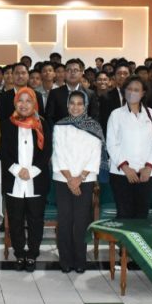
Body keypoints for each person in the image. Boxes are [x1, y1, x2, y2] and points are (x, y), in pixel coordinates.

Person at [0, 87, 52, 272]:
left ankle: (33, 254)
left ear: (34, 103)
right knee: (15, 220)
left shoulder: (42, 124)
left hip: (36, 180)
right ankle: (19, 253)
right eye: (20, 100)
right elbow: (2, 151)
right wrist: (17, 170)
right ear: (15, 103)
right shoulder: (6, 124)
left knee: (36, 220)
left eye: (28, 101)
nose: (24, 104)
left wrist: (32, 171)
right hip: (14, 180)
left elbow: (47, 151)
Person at [52, 90, 103, 273]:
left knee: (81, 221)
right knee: (65, 220)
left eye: (79, 103)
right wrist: (70, 179)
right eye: (72, 103)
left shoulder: (94, 127)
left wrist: (79, 178)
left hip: (85, 180)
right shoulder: (60, 126)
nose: (75, 107)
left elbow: (95, 155)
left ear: (85, 106)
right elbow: (58, 153)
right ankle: (65, 260)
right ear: (67, 105)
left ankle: (80, 260)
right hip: (62, 179)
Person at [106, 75, 152, 219]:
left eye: (136, 90)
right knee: (124, 215)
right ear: (124, 91)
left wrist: (149, 167)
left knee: (142, 215)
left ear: (143, 93)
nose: (132, 92)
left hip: (147, 174)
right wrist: (126, 168)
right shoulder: (116, 114)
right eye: (129, 89)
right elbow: (112, 144)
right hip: (121, 174)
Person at [45, 58, 99, 125]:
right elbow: (49, 117)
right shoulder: (54, 93)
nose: (72, 73)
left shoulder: (90, 94)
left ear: (81, 73)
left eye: (76, 70)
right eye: (69, 70)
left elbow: (94, 117)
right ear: (65, 73)